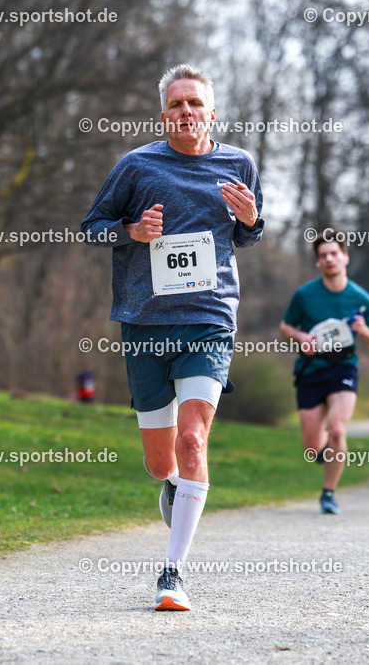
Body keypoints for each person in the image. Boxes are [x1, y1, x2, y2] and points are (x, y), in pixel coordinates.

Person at [81, 64, 264, 611]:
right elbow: (91, 227)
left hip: (209, 318)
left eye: (195, 103)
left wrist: (252, 220)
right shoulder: (136, 166)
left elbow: (248, 235)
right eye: (177, 104)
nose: (186, 112)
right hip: (145, 322)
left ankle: (172, 575)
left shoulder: (238, 164)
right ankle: (172, 486)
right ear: (164, 114)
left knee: (192, 442)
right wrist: (132, 231)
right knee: (161, 461)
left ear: (213, 113)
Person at [280, 230, 369, 514]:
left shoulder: (362, 298)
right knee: (313, 447)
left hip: (343, 367)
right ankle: (326, 449)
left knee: (338, 429)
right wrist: (300, 338)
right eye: (323, 255)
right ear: (318, 262)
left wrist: (364, 331)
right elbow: (286, 327)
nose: (329, 259)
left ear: (345, 257)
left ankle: (328, 493)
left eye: (334, 253)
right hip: (311, 369)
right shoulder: (304, 295)